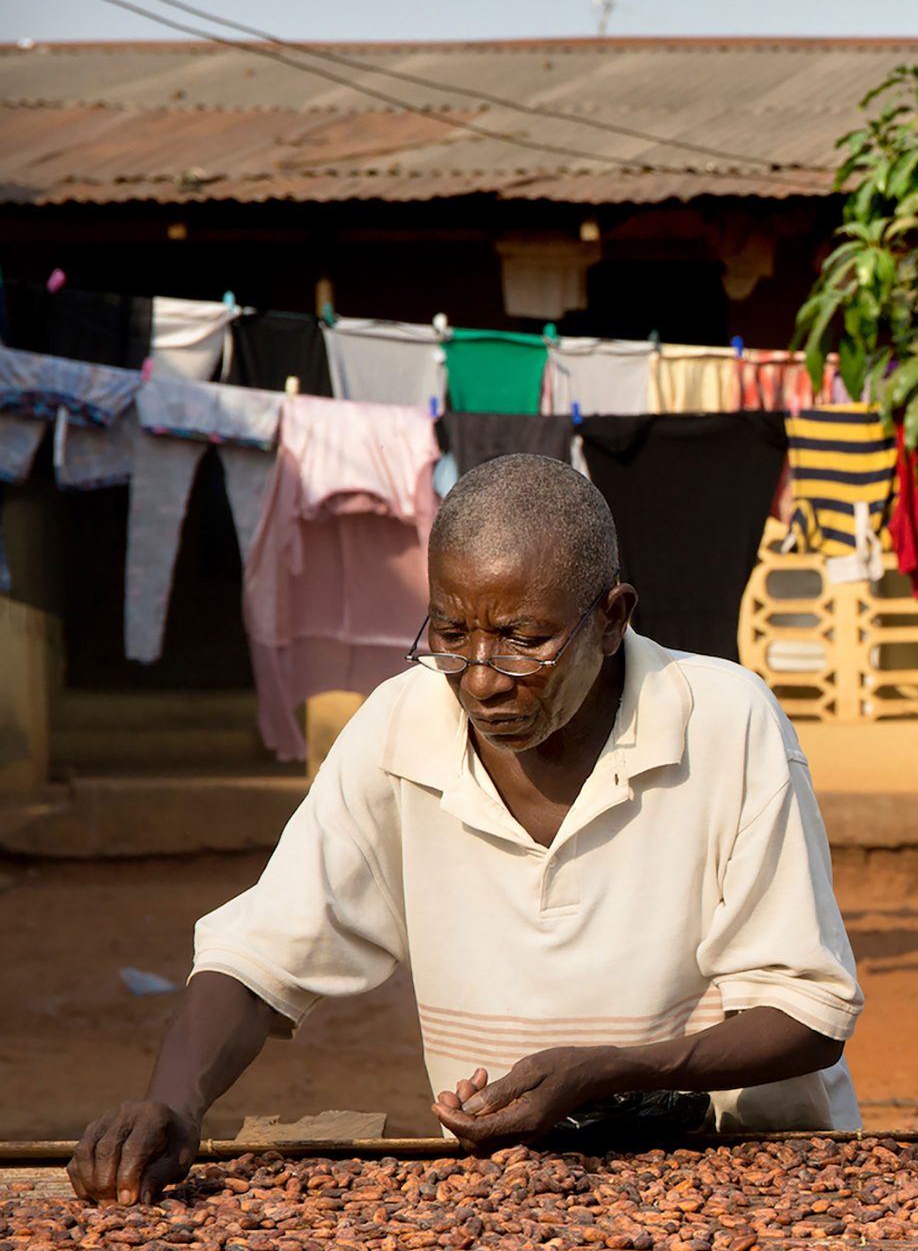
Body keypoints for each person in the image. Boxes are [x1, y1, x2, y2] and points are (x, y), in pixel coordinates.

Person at [70, 454, 863, 1203]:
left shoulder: (726, 723)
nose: (482, 678)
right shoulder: (401, 726)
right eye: (451, 633)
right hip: (509, 1188)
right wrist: (174, 1099)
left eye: (524, 639)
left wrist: (612, 1072)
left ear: (613, 618)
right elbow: (261, 953)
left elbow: (807, 1012)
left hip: (742, 1173)